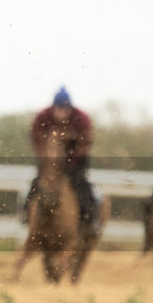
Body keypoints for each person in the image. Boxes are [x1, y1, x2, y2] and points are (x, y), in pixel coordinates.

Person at [28, 86, 97, 226]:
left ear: (70, 109)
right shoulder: (42, 117)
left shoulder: (81, 118)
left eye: (64, 109)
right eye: (58, 109)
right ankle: (26, 214)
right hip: (49, 162)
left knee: (83, 186)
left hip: (75, 162)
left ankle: (88, 220)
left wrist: (71, 161)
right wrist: (45, 158)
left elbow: (86, 142)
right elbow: (36, 138)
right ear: (53, 107)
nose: (61, 113)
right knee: (36, 183)